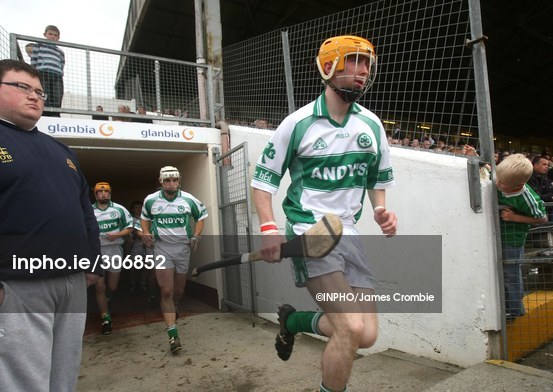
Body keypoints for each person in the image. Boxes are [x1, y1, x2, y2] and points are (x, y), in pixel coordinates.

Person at [251, 35, 397, 392]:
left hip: (348, 231)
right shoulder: (298, 123)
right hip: (310, 231)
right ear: (329, 66)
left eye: (367, 64)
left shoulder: (371, 126)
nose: (364, 71)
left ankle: (293, 320)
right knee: (349, 327)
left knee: (367, 336)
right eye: (354, 61)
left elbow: (377, 178)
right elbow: (263, 181)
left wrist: (380, 210)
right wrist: (269, 228)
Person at [0, 59, 101, 392]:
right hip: (19, 284)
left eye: (40, 91)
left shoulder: (61, 150)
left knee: (65, 374)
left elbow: (84, 210)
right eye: (22, 87)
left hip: (72, 282)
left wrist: (93, 264)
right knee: (25, 380)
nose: (35, 97)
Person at [141, 166, 208, 354]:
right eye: (167, 180)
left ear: (179, 181)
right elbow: (145, 218)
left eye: (175, 180)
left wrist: (196, 235)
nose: (171, 183)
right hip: (162, 249)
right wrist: (146, 232)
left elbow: (201, 216)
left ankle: (175, 304)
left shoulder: (188, 199)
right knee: (167, 291)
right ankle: (172, 334)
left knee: (178, 290)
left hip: (183, 249)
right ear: (161, 181)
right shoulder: (151, 200)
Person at [496, 154, 547, 320]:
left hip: (513, 239)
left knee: (511, 272)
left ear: (519, 185)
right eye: (498, 179)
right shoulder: (502, 179)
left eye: (503, 183)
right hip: (498, 233)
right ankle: (504, 305)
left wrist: (515, 218)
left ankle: (515, 309)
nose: (497, 184)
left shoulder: (527, 198)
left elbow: (542, 218)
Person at [92, 182, 133, 334]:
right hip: (97, 251)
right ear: (95, 194)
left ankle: (108, 298)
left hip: (115, 250)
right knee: (99, 286)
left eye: (106, 192)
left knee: (112, 287)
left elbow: (129, 228)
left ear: (110, 193)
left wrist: (116, 235)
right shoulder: (89, 211)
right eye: (100, 192)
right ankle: (106, 318)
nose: (103, 194)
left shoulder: (119, 209)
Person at [30, 25, 64, 117]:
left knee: (57, 96)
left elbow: (62, 63)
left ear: (58, 38)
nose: (52, 36)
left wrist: (60, 72)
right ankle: (44, 114)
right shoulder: (39, 45)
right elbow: (34, 59)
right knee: (45, 94)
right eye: (50, 34)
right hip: (43, 73)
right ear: (45, 34)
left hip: (57, 75)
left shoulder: (60, 51)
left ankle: (56, 114)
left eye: (55, 35)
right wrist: (34, 73)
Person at [528, 155, 553, 221]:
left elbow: (550, 191)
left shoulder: (544, 176)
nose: (547, 167)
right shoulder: (529, 176)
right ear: (535, 165)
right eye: (544, 164)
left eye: (547, 165)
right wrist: (549, 197)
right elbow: (535, 196)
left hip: (545, 211)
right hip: (533, 213)